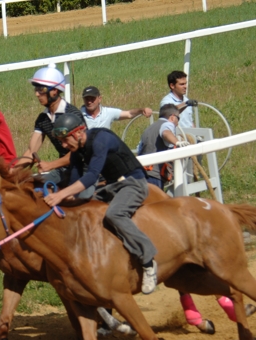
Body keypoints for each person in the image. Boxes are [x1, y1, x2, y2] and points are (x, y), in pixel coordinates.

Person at [43, 113, 158, 294]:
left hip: (134, 183)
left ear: (79, 133)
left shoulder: (101, 140)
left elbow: (91, 176)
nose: (64, 146)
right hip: (112, 187)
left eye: (65, 140)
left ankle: (148, 261)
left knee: (115, 214)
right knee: (83, 211)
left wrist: (61, 195)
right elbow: (76, 180)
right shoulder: (76, 151)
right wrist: (66, 198)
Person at [14, 64, 93, 194]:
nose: (36, 94)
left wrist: (50, 165)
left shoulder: (72, 115)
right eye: (35, 89)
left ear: (54, 91)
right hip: (63, 169)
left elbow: (78, 152)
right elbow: (31, 151)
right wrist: (11, 171)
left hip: (83, 167)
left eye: (41, 89)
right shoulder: (43, 119)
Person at [137, 103, 190, 189]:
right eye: (178, 118)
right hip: (155, 177)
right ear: (172, 117)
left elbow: (139, 150)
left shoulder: (148, 129)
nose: (177, 123)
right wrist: (177, 143)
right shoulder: (168, 124)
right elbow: (165, 132)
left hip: (141, 175)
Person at [81, 85, 153, 130]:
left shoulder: (107, 112)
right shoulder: (78, 115)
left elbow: (129, 114)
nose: (89, 102)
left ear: (99, 98)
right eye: (87, 99)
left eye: (92, 99)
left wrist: (142, 110)